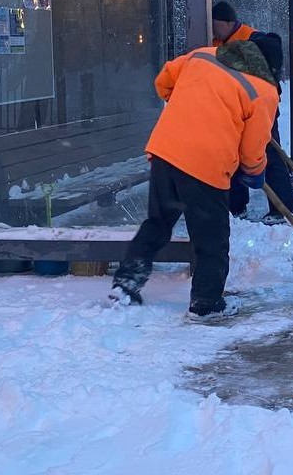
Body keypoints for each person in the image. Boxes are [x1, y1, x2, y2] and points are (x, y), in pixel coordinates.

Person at [109, 38, 279, 323]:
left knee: (158, 222)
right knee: (211, 238)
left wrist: (191, 103)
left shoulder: (202, 56)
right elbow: (251, 154)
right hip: (206, 164)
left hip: (167, 150)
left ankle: (126, 283)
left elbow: (163, 82)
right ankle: (206, 302)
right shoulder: (264, 91)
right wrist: (256, 170)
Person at [211, 1, 293, 225]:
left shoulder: (252, 38)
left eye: (216, 25)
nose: (213, 30)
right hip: (237, 108)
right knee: (235, 154)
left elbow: (270, 58)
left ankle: (282, 208)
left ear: (228, 22)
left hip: (260, 107)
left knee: (268, 154)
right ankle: (236, 206)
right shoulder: (221, 41)